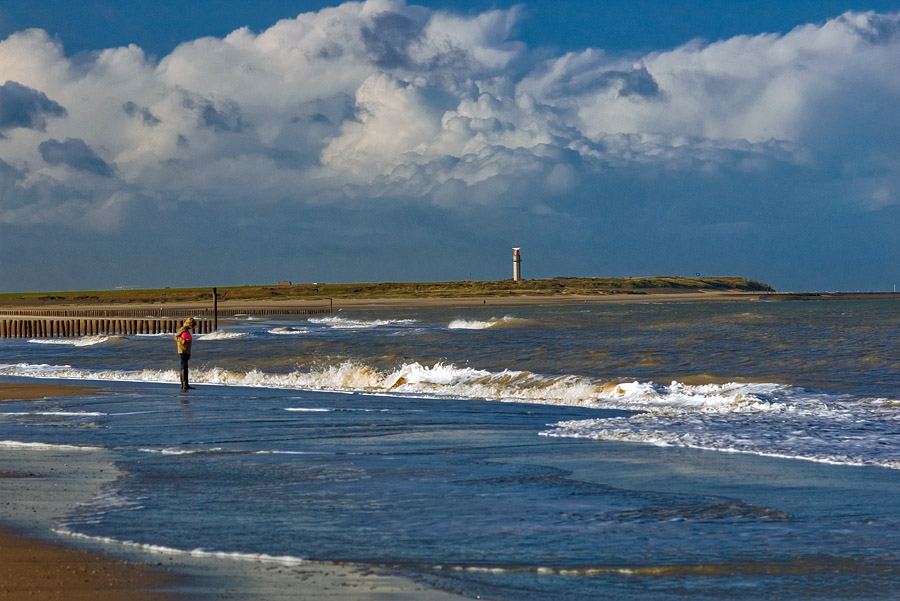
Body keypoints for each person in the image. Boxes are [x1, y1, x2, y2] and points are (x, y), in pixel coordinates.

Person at [174, 318, 195, 391]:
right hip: (183, 350)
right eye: (193, 325)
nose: (193, 327)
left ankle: (184, 384)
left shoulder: (186, 330)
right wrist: (184, 341)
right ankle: (184, 384)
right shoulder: (183, 329)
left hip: (186, 350)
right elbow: (176, 337)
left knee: (184, 366)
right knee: (184, 366)